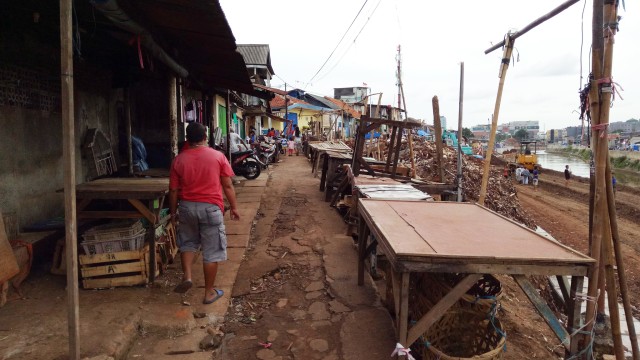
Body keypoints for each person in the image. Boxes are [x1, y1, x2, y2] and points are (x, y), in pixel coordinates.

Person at [169, 122, 240, 304]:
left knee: (187, 243)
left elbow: (174, 190)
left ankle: (188, 276)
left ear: (187, 139)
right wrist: (234, 207)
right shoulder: (217, 156)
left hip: (186, 207)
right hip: (210, 208)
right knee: (211, 251)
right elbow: (227, 185)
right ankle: (209, 293)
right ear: (205, 137)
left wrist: (173, 211)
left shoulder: (179, 160)